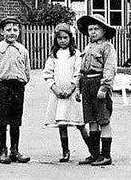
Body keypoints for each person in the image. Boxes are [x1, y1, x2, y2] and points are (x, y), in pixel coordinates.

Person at [0, 15, 32, 164]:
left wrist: (20, 83)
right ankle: (3, 151)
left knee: (16, 121)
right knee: (2, 120)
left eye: (15, 30)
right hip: (2, 87)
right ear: (2, 32)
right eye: (8, 30)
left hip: (18, 87)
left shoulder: (22, 50)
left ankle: (15, 150)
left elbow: (27, 73)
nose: (12, 33)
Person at [43, 22, 92, 163]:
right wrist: (55, 88)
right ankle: (65, 151)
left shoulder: (76, 54)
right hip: (58, 94)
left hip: (72, 93)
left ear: (71, 38)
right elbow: (47, 74)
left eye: (65, 37)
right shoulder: (53, 55)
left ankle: (92, 149)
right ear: (55, 39)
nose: (63, 41)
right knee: (62, 122)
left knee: (79, 122)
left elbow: (79, 72)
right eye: (60, 38)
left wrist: (72, 87)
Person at [77, 13, 118, 166]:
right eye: (90, 29)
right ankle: (95, 154)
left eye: (96, 29)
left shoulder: (107, 47)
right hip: (87, 85)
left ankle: (106, 155)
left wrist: (104, 87)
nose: (93, 32)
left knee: (103, 120)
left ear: (104, 31)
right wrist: (78, 88)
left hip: (99, 84)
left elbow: (110, 69)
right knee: (91, 120)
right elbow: (82, 69)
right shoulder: (88, 47)